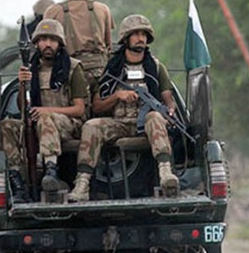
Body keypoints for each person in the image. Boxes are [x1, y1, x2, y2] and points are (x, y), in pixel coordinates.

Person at [68, 14, 179, 202]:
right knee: (91, 126)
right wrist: (117, 96)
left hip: (146, 125)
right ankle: (82, 184)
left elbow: (168, 99)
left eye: (144, 34)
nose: (140, 38)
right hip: (119, 123)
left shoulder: (156, 67)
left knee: (156, 117)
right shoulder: (112, 69)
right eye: (135, 34)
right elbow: (97, 105)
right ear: (126, 39)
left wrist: (169, 111)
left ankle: (166, 173)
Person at [0, 19, 89, 202]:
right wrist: (23, 84)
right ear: (36, 43)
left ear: (59, 43)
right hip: (38, 123)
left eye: (52, 40)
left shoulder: (72, 68)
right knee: (8, 125)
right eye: (43, 39)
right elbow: (23, 107)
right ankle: (17, 180)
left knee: (45, 117)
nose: (47, 44)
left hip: (68, 125)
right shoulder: (31, 68)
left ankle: (51, 170)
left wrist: (46, 110)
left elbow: (79, 109)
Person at [44, 0, 115, 95]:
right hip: (100, 74)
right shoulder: (102, 9)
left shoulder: (52, 11)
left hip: (68, 73)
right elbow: (108, 45)